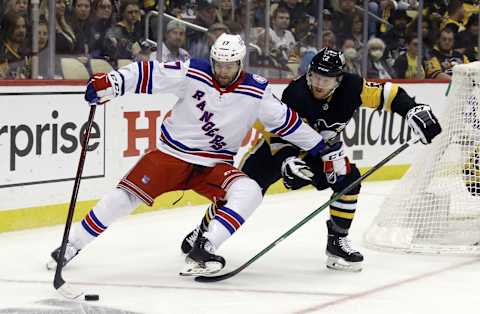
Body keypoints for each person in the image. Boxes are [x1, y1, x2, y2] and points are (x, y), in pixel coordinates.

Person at [47, 34, 333, 276]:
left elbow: (287, 122)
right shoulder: (192, 71)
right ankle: (71, 244)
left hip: (214, 165)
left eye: (229, 65)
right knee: (125, 196)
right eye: (218, 63)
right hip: (171, 155)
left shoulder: (256, 91)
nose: (222, 70)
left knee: (250, 191)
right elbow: (148, 73)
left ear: (240, 62)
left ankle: (204, 248)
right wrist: (112, 82)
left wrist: (320, 147)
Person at [180, 47, 442, 272]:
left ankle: (337, 244)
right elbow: (282, 135)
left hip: (321, 152)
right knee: (237, 195)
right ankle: (203, 233)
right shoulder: (295, 93)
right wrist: (287, 162)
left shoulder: (353, 87)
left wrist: (413, 110)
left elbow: (390, 94)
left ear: (339, 80)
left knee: (349, 181)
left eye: (327, 80)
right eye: (315, 76)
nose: (318, 84)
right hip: (273, 152)